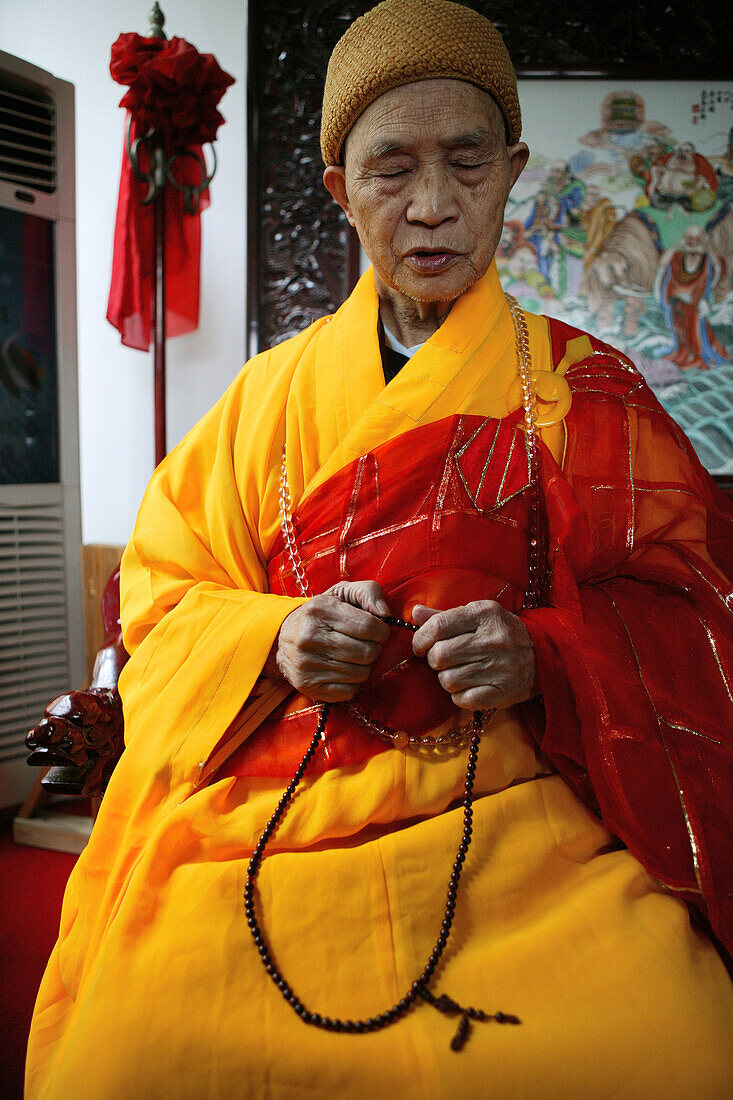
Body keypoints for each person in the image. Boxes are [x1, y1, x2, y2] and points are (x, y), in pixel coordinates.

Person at [26, 1, 733, 1096]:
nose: (434, 206)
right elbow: (159, 598)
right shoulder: (264, 399)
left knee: (676, 1043)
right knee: (123, 1056)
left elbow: (695, 613)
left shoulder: (584, 392)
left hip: (512, 803)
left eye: (465, 163)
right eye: (391, 169)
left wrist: (545, 653)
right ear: (338, 189)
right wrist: (274, 635)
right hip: (279, 799)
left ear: (513, 170)